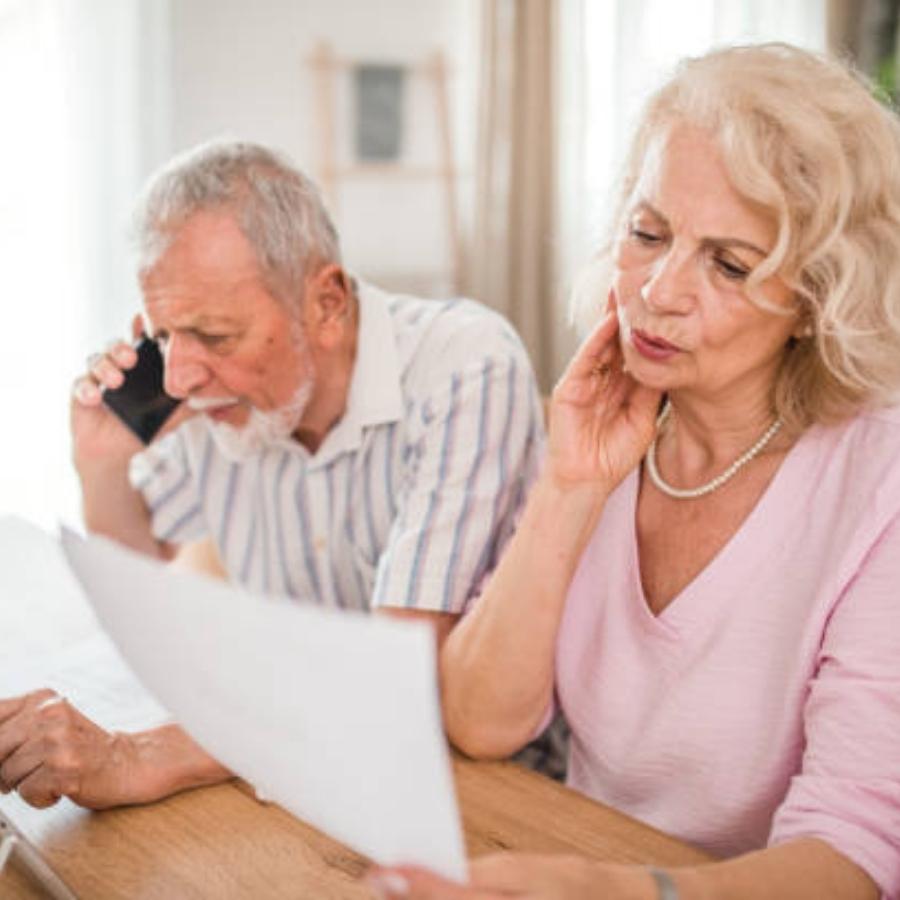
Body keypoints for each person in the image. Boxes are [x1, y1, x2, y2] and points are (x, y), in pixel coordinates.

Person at [367, 44, 900, 900]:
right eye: (647, 233)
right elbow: (481, 720)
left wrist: (619, 891)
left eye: (728, 264)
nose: (658, 289)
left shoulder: (879, 488)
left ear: (816, 298)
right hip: (567, 849)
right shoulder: (611, 420)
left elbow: (854, 855)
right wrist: (570, 486)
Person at [0, 141, 544, 811]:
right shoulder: (211, 396)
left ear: (325, 304)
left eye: (214, 336)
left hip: (485, 785)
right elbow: (138, 573)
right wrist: (102, 463)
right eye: (165, 336)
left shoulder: (464, 366)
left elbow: (397, 678)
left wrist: (142, 754)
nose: (178, 376)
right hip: (297, 768)